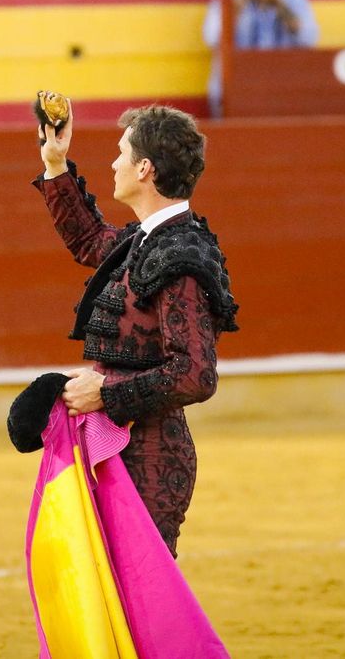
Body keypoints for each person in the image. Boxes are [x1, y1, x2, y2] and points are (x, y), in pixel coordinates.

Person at [32, 99, 237, 558]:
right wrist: (55, 162)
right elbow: (89, 240)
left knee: (137, 606)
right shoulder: (147, 241)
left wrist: (105, 392)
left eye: (121, 152)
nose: (113, 162)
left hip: (150, 460)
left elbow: (194, 375)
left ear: (144, 168)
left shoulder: (180, 255)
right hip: (120, 450)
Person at [201, 0, 318, 113]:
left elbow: (309, 40)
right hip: (234, 91)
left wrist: (279, 3)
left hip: (282, 93)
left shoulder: (294, 0)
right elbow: (211, 38)